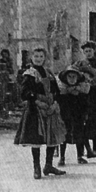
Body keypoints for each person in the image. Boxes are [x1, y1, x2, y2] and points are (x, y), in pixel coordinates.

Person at [13, 47, 67, 179]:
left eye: (41, 57)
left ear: (45, 58)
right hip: (35, 110)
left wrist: (55, 103)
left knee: (52, 137)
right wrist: (37, 101)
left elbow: (56, 91)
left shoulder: (48, 73)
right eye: (36, 56)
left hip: (50, 108)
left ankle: (48, 165)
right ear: (31, 58)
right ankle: (36, 167)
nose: (38, 59)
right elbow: (24, 93)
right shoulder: (29, 74)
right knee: (36, 138)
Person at [55, 65, 96, 166]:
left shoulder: (81, 92)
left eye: (74, 77)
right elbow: (59, 104)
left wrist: (85, 114)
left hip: (78, 116)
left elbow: (86, 104)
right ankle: (62, 157)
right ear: (66, 78)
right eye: (70, 77)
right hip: (66, 116)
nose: (72, 79)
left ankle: (79, 156)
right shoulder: (63, 92)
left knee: (79, 135)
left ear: (78, 78)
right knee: (64, 136)